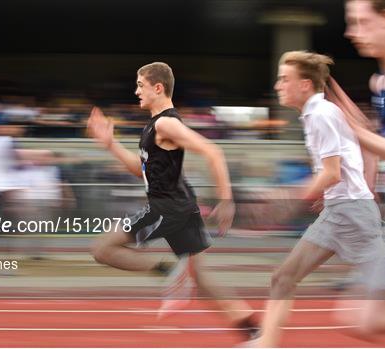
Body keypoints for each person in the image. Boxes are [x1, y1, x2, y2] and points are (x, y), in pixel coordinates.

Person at [87, 62, 258, 340]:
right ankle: (253, 331)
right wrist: (111, 145)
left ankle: (170, 272)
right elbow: (140, 170)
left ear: (158, 87)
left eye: (140, 85)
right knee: (202, 282)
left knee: (102, 249)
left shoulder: (166, 123)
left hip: (166, 207)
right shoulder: (156, 125)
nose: (136, 91)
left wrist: (226, 199)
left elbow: (213, 151)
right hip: (181, 205)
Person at [251, 51, 383, 347]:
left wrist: (289, 197)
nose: (277, 86)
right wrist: (328, 193)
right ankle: (266, 343)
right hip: (340, 210)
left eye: (284, 79)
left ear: (306, 85)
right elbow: (350, 160)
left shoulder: (321, 114)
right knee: (283, 277)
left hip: (352, 215)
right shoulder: (317, 114)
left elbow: (332, 172)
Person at [326, 0, 385, 339]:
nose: (351, 32)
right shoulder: (381, 83)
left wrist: (362, 135)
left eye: (361, 22)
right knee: (366, 319)